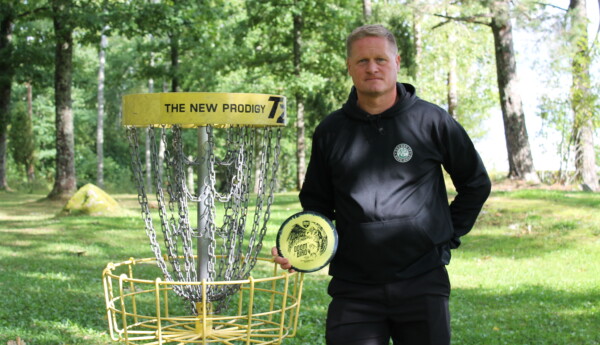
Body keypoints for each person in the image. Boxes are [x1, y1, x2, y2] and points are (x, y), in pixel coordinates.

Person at [272, 24, 491, 345]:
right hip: (353, 286)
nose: (372, 67)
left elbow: (476, 184)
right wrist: (299, 251)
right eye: (361, 61)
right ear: (349, 67)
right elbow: (316, 204)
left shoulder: (432, 121)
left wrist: (443, 236)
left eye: (380, 59)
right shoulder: (330, 131)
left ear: (397, 62)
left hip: (422, 281)